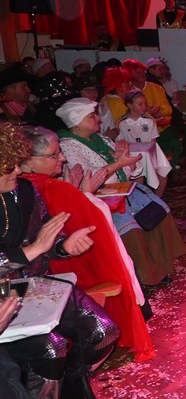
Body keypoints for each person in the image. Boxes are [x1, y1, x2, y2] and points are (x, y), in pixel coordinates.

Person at [0, 122, 119, 399]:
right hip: (3, 297)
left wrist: (65, 246)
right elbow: (34, 247)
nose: (18, 169)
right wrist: (33, 250)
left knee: (102, 331)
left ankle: (70, 389)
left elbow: (47, 236)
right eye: (8, 165)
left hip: (37, 284)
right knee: (51, 350)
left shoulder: (25, 190)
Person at [19, 125, 155, 362]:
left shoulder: (34, 186)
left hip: (55, 265)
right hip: (69, 270)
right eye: (54, 155)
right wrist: (86, 195)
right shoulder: (49, 187)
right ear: (29, 160)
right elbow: (96, 222)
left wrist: (77, 193)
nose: (63, 158)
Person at [56, 98, 186, 289]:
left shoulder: (102, 139)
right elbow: (91, 180)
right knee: (132, 230)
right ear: (77, 121)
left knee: (158, 212)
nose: (99, 119)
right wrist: (119, 164)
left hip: (121, 192)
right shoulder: (68, 146)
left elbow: (131, 170)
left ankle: (159, 267)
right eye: (92, 115)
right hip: (98, 199)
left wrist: (122, 162)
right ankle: (142, 276)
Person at [117, 90, 172, 197]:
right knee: (139, 176)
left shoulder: (150, 121)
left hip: (149, 154)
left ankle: (158, 199)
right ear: (129, 105)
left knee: (163, 175)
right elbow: (121, 145)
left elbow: (153, 142)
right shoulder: (121, 123)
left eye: (145, 104)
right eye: (140, 104)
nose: (144, 107)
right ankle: (141, 200)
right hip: (132, 157)